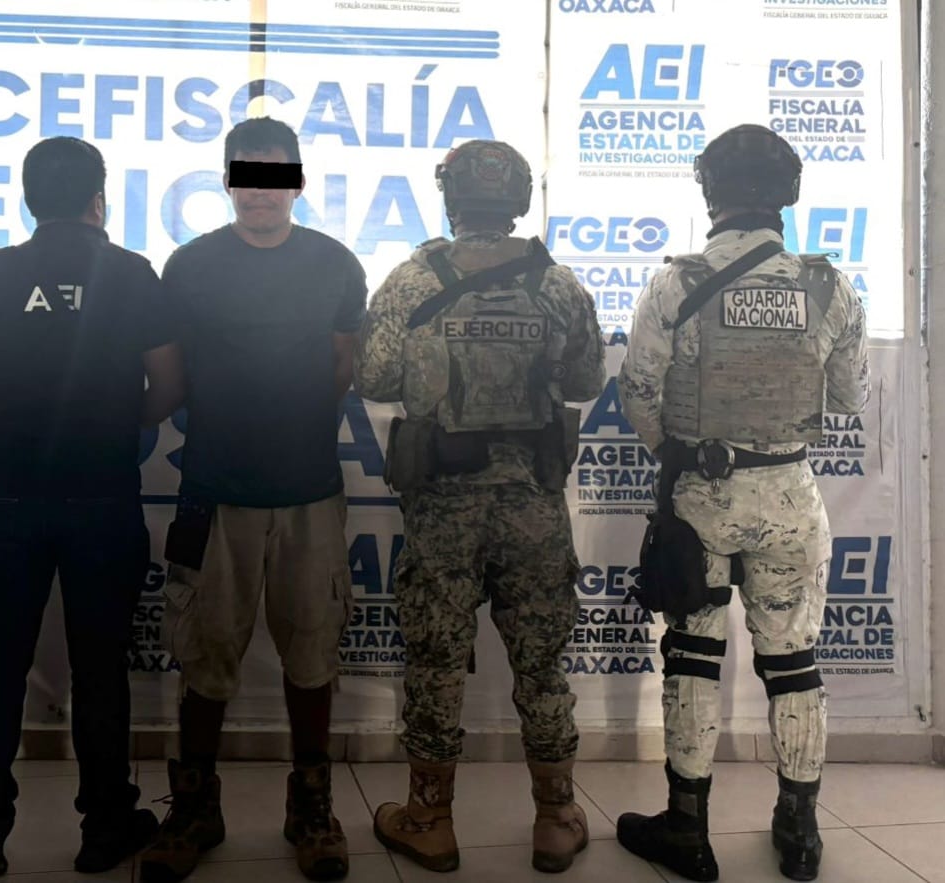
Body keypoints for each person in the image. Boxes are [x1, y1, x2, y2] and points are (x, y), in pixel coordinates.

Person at [615, 124, 870, 883]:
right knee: (793, 661)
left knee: (692, 655)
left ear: (709, 192)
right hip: (790, 495)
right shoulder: (829, 286)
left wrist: (682, 455)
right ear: (787, 195)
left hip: (701, 497)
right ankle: (800, 832)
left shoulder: (677, 282)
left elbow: (638, 391)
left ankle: (687, 830)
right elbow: (851, 397)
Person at [0, 136, 186, 879]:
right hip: (102, 495)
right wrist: (117, 422)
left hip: (10, 495)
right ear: (98, 201)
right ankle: (105, 829)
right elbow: (171, 385)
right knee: (101, 666)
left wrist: (17, 418)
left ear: (27, 201)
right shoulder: (132, 272)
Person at [354, 139, 605, 875]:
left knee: (435, 661)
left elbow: (374, 378)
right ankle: (555, 819)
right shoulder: (556, 283)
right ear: (518, 200)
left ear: (451, 198)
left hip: (444, 505)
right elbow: (586, 380)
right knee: (542, 664)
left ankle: (429, 818)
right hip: (532, 504)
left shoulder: (411, 280)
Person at [137, 116, 366, 883]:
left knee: (313, 653)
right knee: (204, 654)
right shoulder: (191, 265)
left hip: (308, 490)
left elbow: (340, 365)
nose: (261, 190)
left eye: (276, 174)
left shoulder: (335, 264)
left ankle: (312, 806)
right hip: (215, 489)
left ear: (297, 182)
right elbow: (171, 374)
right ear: (228, 180)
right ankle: (194, 806)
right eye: (248, 173)